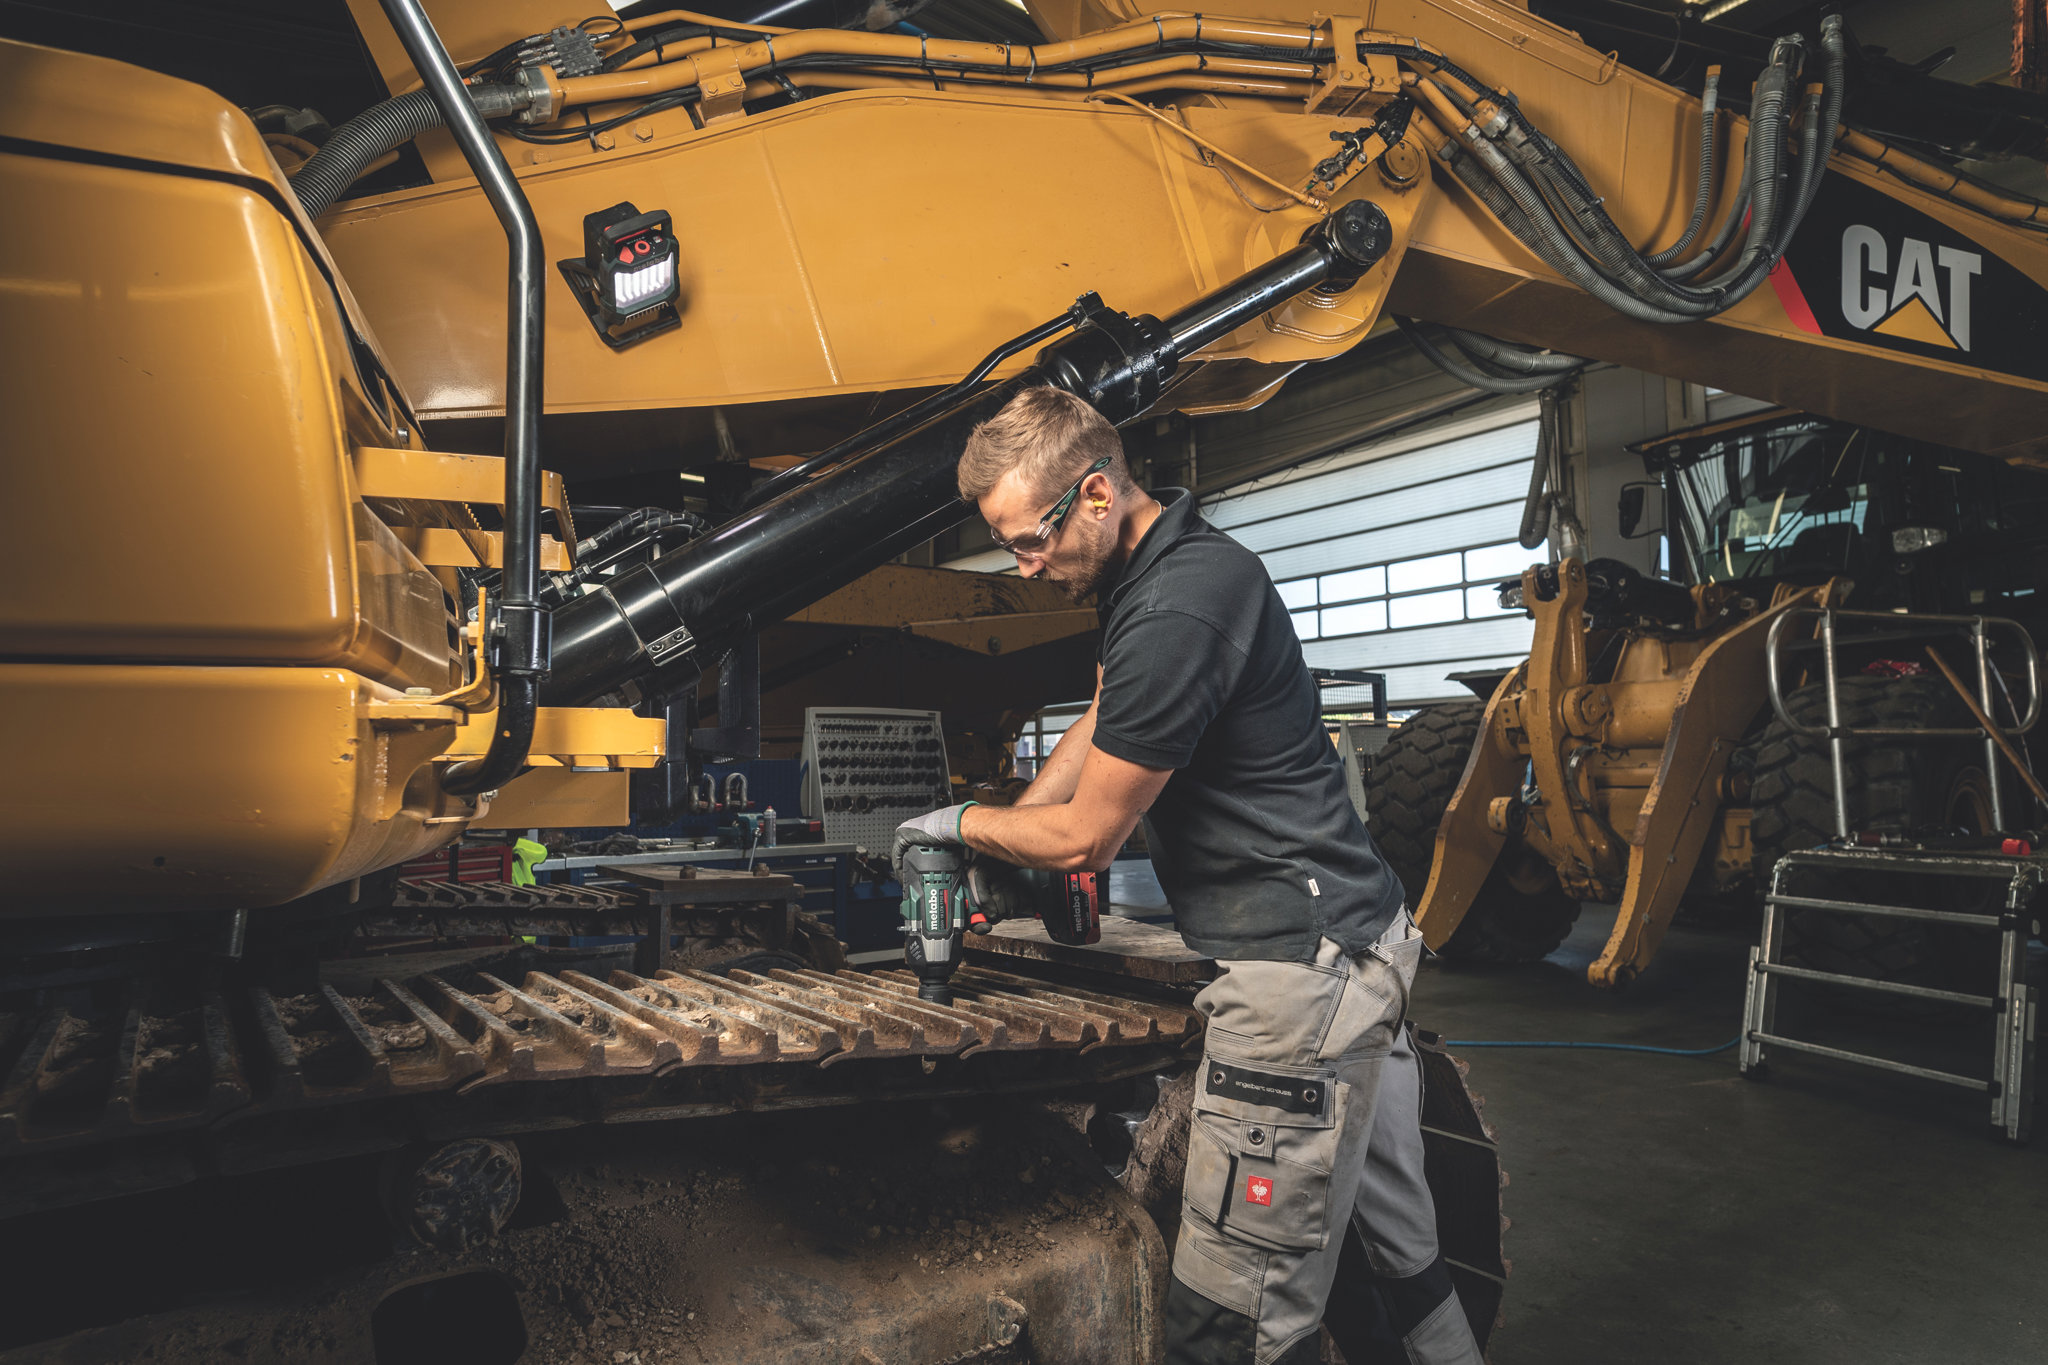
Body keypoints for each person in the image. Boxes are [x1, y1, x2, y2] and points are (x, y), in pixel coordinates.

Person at [892, 386, 1485, 1365]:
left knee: (1230, 1323)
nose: (1023, 565)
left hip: (1295, 981)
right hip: (1350, 944)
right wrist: (1014, 829)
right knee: (1398, 1261)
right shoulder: (1152, 575)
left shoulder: (1177, 605)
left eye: (1031, 539)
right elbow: (1100, 719)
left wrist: (957, 823)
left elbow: (1089, 837)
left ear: (1095, 493)